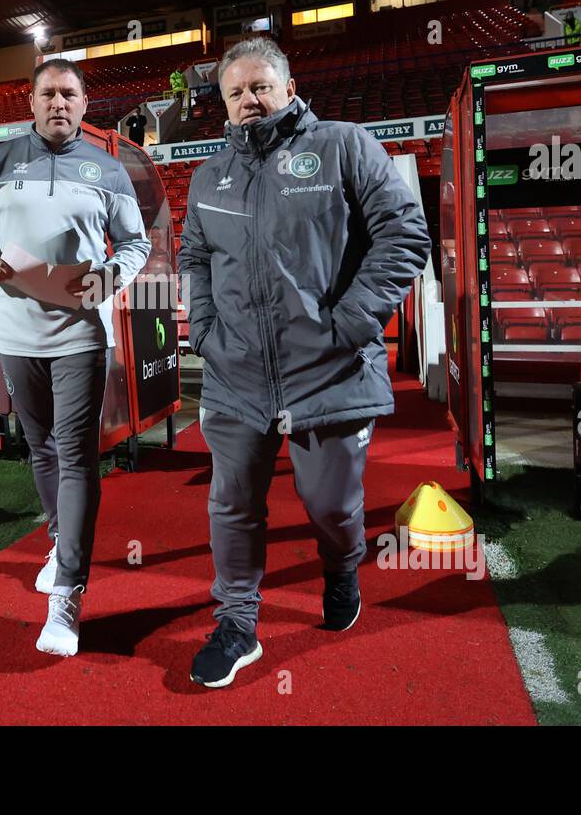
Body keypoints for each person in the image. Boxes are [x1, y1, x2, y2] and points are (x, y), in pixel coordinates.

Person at [177, 37, 431, 688]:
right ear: (224, 104)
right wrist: (204, 329)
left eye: (260, 87)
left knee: (331, 508)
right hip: (236, 376)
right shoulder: (211, 176)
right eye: (236, 92)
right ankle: (237, 622)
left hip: (330, 372)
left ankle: (341, 568)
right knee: (232, 504)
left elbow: (404, 231)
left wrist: (349, 323)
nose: (249, 100)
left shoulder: (343, 146)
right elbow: (196, 260)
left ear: (289, 88)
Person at [0, 58, 151, 657]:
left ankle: (68, 595)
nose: (58, 103)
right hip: (15, 334)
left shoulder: (108, 169)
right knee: (41, 449)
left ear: (85, 106)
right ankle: (61, 541)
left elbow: (135, 244)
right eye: (47, 95)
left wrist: (112, 274)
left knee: (78, 457)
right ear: (31, 104)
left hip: (83, 333)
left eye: (69, 94)